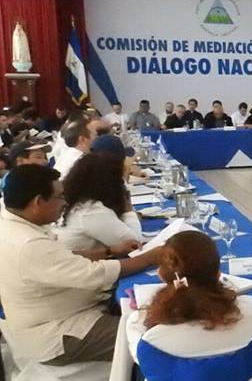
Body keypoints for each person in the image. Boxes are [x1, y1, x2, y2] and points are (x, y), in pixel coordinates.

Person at [0, 165, 163, 366]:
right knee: (154, 337)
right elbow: (94, 275)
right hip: (59, 331)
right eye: (59, 197)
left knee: (148, 309)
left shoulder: (9, 223)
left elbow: (61, 256)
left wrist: (109, 251)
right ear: (38, 202)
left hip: (54, 315)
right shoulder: (27, 243)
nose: (64, 202)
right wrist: (151, 258)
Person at [56, 152, 142, 253]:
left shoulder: (73, 200)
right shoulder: (91, 211)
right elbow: (135, 246)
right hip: (82, 265)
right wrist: (128, 212)